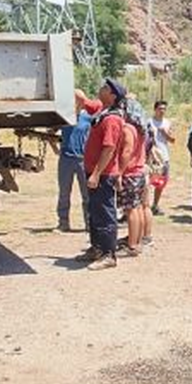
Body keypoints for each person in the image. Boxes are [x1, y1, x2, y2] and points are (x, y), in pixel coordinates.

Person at [77, 78, 126, 270]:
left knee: (105, 213)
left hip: (103, 174)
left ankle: (109, 254)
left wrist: (96, 174)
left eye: (105, 88)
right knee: (94, 211)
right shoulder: (102, 111)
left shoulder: (112, 119)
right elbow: (83, 100)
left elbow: (109, 148)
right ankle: (97, 248)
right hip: (94, 171)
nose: (101, 88)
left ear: (113, 96)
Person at [56, 89, 102, 232]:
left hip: (83, 159)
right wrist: (56, 150)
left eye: (78, 99)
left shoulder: (88, 117)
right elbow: (51, 132)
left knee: (87, 194)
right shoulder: (65, 116)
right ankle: (63, 222)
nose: (75, 102)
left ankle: (89, 223)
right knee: (64, 193)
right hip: (66, 159)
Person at [117, 99, 148, 256]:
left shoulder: (128, 128)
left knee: (130, 210)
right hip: (140, 172)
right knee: (137, 208)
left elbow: (127, 152)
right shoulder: (141, 129)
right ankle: (137, 240)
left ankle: (132, 245)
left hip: (130, 173)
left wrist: (119, 172)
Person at [149, 99, 174, 215]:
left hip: (163, 156)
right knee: (148, 182)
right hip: (150, 157)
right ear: (155, 109)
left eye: (164, 109)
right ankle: (144, 204)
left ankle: (155, 204)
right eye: (160, 109)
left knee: (161, 182)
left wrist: (165, 133)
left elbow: (173, 140)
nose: (162, 111)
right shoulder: (149, 122)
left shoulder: (167, 123)